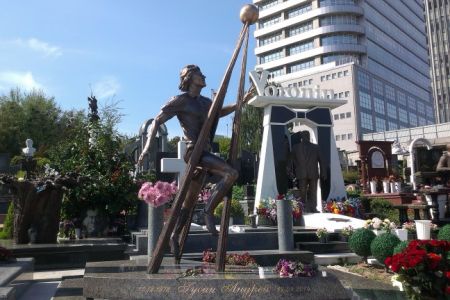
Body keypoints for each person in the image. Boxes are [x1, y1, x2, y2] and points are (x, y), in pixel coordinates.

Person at [137, 65, 249, 257]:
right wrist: (147, 148)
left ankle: (174, 236)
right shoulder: (181, 101)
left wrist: (241, 101)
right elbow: (157, 120)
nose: (204, 76)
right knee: (231, 173)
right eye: (199, 74)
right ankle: (208, 210)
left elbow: (219, 112)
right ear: (189, 77)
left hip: (204, 151)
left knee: (188, 203)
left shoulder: (206, 102)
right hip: (193, 151)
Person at [290, 130, 326, 213]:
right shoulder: (296, 147)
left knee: (313, 191)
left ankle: (313, 207)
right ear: (302, 137)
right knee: (302, 191)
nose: (306, 137)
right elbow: (290, 159)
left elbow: (321, 160)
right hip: (301, 173)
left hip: (313, 173)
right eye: (305, 135)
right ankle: (303, 207)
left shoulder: (316, 147)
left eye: (307, 135)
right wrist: (288, 169)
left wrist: (323, 171)